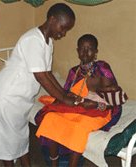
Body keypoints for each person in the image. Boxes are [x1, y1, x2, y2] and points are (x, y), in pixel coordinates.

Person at [0, 3, 77, 167]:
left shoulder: (48, 43)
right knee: (8, 142)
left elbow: (48, 73)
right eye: (62, 27)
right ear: (52, 19)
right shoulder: (33, 39)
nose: (63, 33)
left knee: (21, 139)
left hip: (21, 97)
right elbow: (41, 77)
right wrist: (64, 100)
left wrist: (65, 93)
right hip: (7, 95)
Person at [36, 34, 128, 167]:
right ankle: (54, 164)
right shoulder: (74, 72)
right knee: (51, 118)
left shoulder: (102, 68)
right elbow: (66, 95)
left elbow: (114, 99)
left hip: (103, 108)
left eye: (89, 48)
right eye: (82, 48)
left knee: (78, 128)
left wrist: (95, 104)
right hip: (80, 107)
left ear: (96, 52)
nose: (85, 52)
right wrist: (77, 100)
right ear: (77, 51)